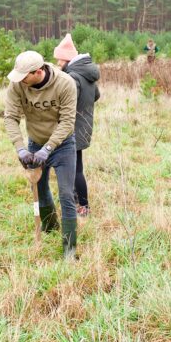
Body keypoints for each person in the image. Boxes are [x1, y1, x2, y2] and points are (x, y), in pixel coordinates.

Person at [3, 50, 79, 259]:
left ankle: (69, 249)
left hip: (63, 145)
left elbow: (67, 121)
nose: (19, 81)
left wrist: (49, 148)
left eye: (24, 76)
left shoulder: (65, 83)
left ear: (38, 72)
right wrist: (21, 148)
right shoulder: (18, 84)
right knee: (40, 189)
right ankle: (49, 227)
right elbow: (10, 117)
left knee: (66, 194)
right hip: (35, 142)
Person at [53, 33, 101, 218]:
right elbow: (96, 96)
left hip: (72, 128)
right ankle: (74, 198)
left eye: (59, 60)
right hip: (84, 125)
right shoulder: (85, 74)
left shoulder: (73, 77)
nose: (58, 63)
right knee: (73, 166)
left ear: (67, 59)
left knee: (75, 169)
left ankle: (83, 206)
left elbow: (66, 103)